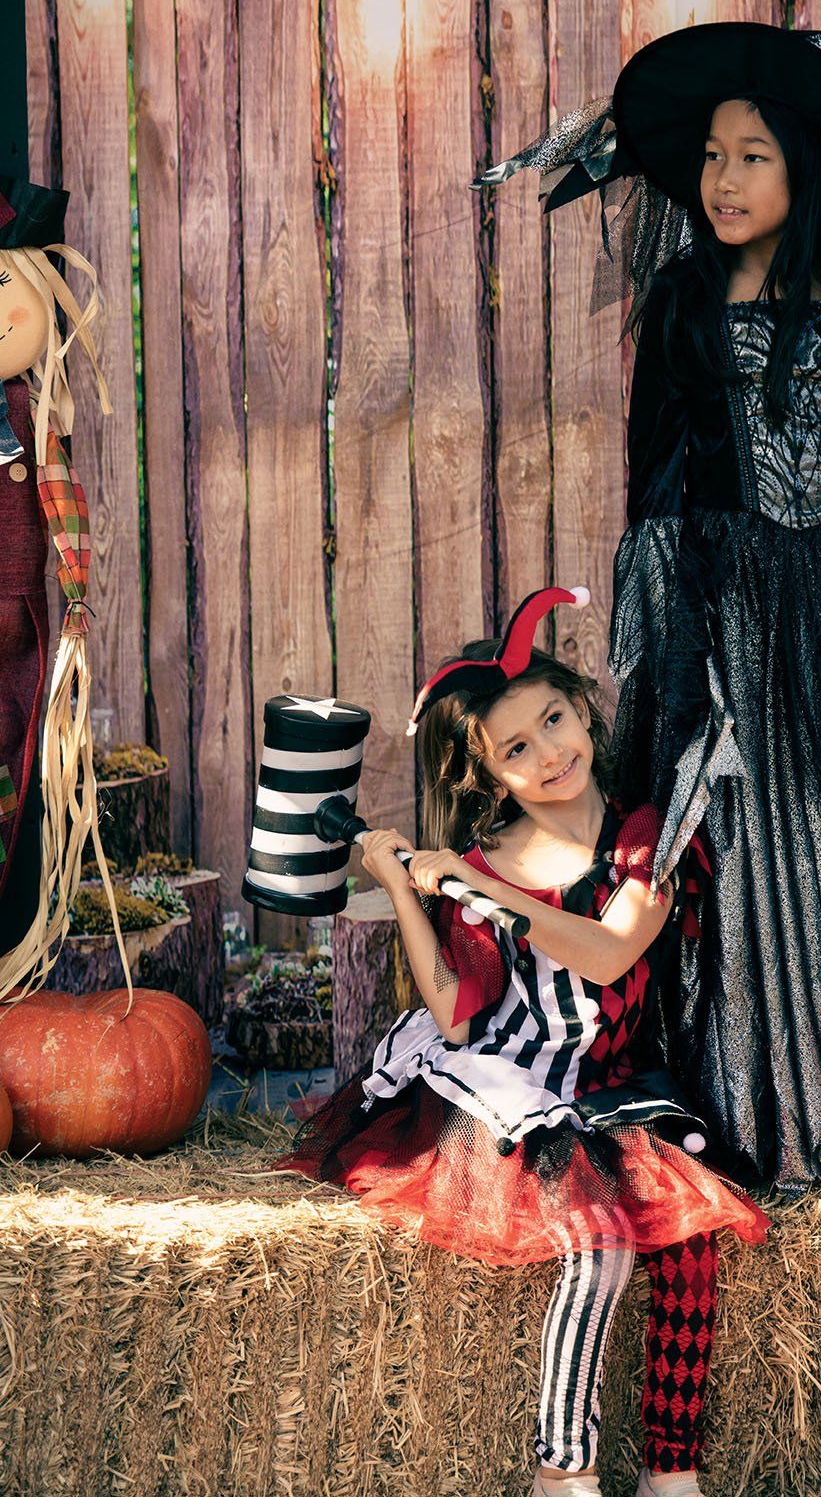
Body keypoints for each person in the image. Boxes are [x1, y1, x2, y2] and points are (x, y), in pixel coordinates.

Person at [477, 25, 821, 1191]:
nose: (723, 181)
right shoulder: (682, 302)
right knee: (739, 836)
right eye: (714, 157)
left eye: (754, 157)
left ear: (806, 171)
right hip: (726, 626)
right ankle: (758, 1090)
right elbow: (659, 484)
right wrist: (681, 641)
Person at [277, 587, 767, 1497]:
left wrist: (481, 889)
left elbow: (613, 950)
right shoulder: (486, 858)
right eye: (516, 750)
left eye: (552, 720)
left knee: (689, 1239)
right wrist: (408, 890)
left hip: (605, 1085)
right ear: (492, 778)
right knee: (599, 1245)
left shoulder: (639, 839)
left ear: (581, 706)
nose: (549, 753)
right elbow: (458, 1015)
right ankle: (561, 1472)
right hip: (501, 1087)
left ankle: (673, 1472)